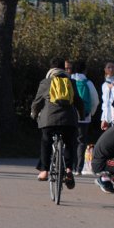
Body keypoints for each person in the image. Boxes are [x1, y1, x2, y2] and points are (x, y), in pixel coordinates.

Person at [30, 57, 82, 186]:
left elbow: (37, 102)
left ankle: (44, 171)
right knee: (70, 143)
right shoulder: (71, 82)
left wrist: (34, 115)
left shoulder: (45, 82)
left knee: (46, 141)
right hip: (69, 120)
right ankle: (69, 170)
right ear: (64, 69)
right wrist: (81, 115)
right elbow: (78, 101)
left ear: (50, 69)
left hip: (49, 119)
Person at [70, 60, 99, 174]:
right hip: (84, 116)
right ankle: (79, 168)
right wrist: (91, 112)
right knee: (81, 141)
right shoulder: (88, 82)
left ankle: (69, 167)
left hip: (70, 114)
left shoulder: (69, 80)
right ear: (85, 70)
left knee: (70, 140)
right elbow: (95, 100)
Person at [100, 61, 114, 131]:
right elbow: (105, 103)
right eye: (109, 67)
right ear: (105, 69)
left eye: (112, 67)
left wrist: (113, 87)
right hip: (107, 118)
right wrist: (103, 118)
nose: (111, 69)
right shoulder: (104, 85)